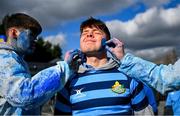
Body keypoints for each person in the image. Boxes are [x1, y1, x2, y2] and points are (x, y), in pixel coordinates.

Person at [54, 17, 155, 115]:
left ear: (108, 42)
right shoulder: (68, 81)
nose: (89, 34)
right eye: (84, 33)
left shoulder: (128, 76)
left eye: (96, 32)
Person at [0, 13, 73, 115]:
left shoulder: (16, 60)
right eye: (31, 34)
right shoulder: (4, 59)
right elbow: (24, 95)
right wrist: (64, 68)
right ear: (14, 33)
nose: (35, 40)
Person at [104, 38, 180, 94]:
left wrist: (125, 60)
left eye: (97, 32)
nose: (91, 35)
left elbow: (170, 79)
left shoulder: (129, 80)